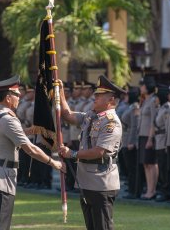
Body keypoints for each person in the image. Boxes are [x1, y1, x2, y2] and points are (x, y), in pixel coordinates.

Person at [0, 75, 65, 230]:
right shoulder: (9, 119)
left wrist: (24, 131)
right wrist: (54, 162)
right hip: (1, 179)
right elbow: (30, 149)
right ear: (8, 97)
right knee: (0, 226)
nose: (19, 97)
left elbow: (2, 136)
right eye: (17, 95)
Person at [59, 75, 125, 230]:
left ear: (111, 100)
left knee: (102, 226)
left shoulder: (111, 122)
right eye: (96, 94)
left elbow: (99, 151)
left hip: (101, 183)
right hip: (87, 180)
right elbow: (67, 115)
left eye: (100, 95)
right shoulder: (91, 116)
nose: (95, 97)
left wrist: (73, 154)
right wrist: (59, 93)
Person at [138, 75, 158, 200]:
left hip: (149, 136)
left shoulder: (153, 100)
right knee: (145, 164)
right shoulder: (145, 100)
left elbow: (153, 121)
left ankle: (152, 190)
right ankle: (149, 189)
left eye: (143, 85)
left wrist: (151, 138)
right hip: (142, 134)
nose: (141, 88)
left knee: (151, 163)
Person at [121, 86, 140, 199]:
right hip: (126, 138)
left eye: (127, 95)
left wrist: (131, 142)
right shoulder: (130, 107)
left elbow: (134, 126)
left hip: (129, 141)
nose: (125, 97)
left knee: (132, 168)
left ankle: (134, 191)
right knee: (129, 168)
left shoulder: (134, 107)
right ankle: (132, 188)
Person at [154, 84, 170, 202]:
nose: (155, 99)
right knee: (161, 167)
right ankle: (161, 190)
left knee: (165, 168)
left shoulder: (167, 108)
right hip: (158, 140)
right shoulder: (161, 107)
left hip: (164, 140)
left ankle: (166, 191)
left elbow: (167, 127)